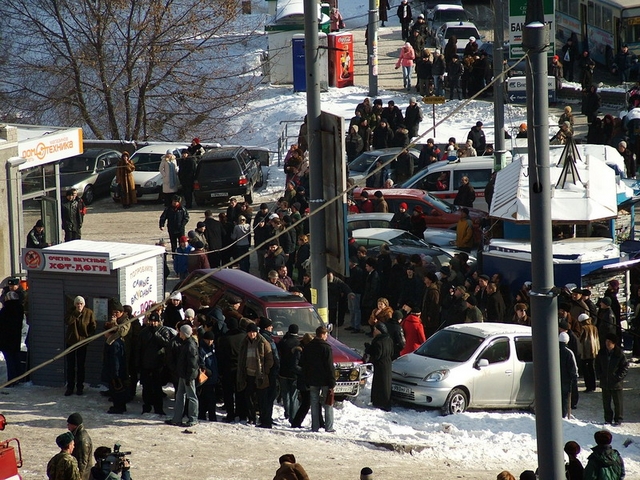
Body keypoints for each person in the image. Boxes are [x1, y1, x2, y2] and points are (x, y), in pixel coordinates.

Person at [236, 322, 274, 427]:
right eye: (249, 332)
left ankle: (265, 420)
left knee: (262, 399)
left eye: (253, 332)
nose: (252, 334)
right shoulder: (244, 343)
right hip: (248, 374)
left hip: (260, 375)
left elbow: (269, 359)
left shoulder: (263, 342)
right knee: (248, 396)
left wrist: (265, 371)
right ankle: (251, 417)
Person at [300, 326, 335, 433]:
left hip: (312, 379)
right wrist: (332, 381)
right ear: (323, 335)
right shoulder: (326, 347)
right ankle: (328, 427)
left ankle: (315, 426)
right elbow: (329, 366)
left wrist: (306, 378)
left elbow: (303, 364)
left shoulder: (308, 346)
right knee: (328, 403)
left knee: (314, 403)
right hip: (325, 380)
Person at [166, 324, 200, 427]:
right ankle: (177, 418)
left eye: (181, 331)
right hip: (182, 374)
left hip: (188, 376)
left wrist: (189, 377)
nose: (179, 333)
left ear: (184, 333)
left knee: (192, 397)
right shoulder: (186, 343)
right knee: (180, 396)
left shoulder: (190, 345)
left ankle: (193, 419)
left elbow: (193, 364)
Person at [65, 296, 96, 396]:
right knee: (70, 366)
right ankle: (70, 387)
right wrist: (76, 314)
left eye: (81, 304)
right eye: (77, 304)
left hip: (82, 343)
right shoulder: (71, 312)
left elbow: (93, 326)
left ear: (84, 304)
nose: (79, 305)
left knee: (80, 366)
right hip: (71, 342)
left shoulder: (89, 313)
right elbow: (67, 321)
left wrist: (88, 337)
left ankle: (80, 387)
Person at [595, 333, 628, 426]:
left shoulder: (619, 354)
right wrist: (599, 375)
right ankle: (608, 419)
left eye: (609, 342)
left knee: (618, 403)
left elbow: (625, 367)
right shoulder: (602, 352)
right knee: (606, 403)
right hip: (605, 382)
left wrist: (618, 377)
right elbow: (597, 364)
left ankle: (618, 419)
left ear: (614, 343)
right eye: (606, 341)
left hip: (616, 383)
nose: (607, 343)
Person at [364, 322, 393, 411]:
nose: (374, 331)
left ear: (379, 331)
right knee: (386, 384)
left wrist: (369, 349)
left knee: (380, 385)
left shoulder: (378, 341)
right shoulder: (389, 339)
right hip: (388, 364)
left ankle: (380, 402)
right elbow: (392, 352)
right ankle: (386, 402)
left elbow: (377, 355)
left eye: (375, 329)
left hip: (380, 366)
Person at [102, 319, 129, 414]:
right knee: (117, 390)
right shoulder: (115, 341)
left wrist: (115, 374)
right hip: (116, 371)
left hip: (115, 372)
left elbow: (115, 360)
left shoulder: (114, 344)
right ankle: (120, 406)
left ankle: (118, 407)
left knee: (117, 390)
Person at [0, 291, 24, 383]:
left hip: (5, 339)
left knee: (9, 360)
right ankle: (19, 377)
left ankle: (11, 380)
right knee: (15, 358)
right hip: (16, 337)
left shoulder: (6, 310)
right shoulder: (19, 308)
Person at [197, 330, 219, 422]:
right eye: (208, 340)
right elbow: (201, 364)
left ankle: (210, 415)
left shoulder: (213, 348)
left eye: (211, 340)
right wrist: (206, 371)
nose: (210, 342)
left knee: (211, 399)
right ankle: (205, 415)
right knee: (207, 399)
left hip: (213, 378)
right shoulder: (201, 350)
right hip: (206, 378)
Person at [66, 413, 92, 480]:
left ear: (74, 425)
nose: (67, 426)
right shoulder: (77, 434)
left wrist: (79, 477)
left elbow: (82, 461)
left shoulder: (82, 440)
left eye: (69, 424)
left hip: (83, 475)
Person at [559, 332, 578, 418]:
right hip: (566, 380)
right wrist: (574, 378)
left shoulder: (553, 350)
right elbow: (573, 367)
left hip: (556, 379)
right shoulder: (569, 352)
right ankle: (563, 415)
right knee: (565, 399)